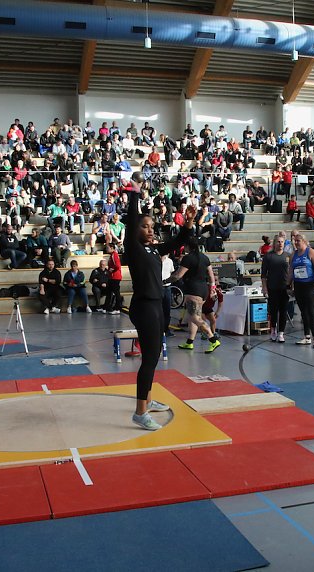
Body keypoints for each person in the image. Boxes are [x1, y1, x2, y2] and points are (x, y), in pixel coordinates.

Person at [124, 171, 197, 430]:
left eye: (152, 227)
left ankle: (147, 399)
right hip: (144, 306)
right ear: (136, 229)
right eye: (145, 226)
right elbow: (131, 221)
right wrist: (135, 193)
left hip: (157, 304)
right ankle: (140, 412)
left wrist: (188, 223)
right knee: (150, 358)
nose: (150, 229)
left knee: (154, 355)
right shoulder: (133, 248)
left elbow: (179, 241)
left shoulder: (154, 249)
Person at [171, 236, 221, 354]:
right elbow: (211, 275)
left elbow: (178, 275)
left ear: (187, 246)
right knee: (193, 316)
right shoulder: (204, 257)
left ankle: (213, 339)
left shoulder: (188, 258)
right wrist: (212, 288)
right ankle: (190, 342)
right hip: (203, 290)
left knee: (194, 317)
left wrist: (164, 281)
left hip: (193, 290)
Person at [288, 233, 314, 348]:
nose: (296, 243)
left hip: (310, 286)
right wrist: (289, 286)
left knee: (311, 312)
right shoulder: (293, 254)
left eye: (298, 240)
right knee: (303, 312)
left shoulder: (310, 252)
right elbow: (291, 271)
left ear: (304, 241)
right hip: (298, 286)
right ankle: (306, 337)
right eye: (295, 241)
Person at [261, 233, 291, 343]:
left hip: (284, 288)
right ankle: (273, 329)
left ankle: (281, 332)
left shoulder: (288, 256)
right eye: (278, 242)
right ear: (274, 243)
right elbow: (263, 275)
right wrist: (265, 288)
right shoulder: (268, 256)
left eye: (282, 242)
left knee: (283, 310)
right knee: (273, 310)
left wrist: (291, 286)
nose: (280, 244)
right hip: (272, 287)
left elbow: (291, 272)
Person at [104, 242, 123, 314]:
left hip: (115, 277)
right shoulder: (111, 255)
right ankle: (106, 307)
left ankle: (118, 308)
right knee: (109, 292)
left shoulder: (114, 255)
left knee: (116, 293)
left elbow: (117, 265)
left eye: (107, 248)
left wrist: (112, 270)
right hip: (112, 277)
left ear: (112, 248)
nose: (106, 249)